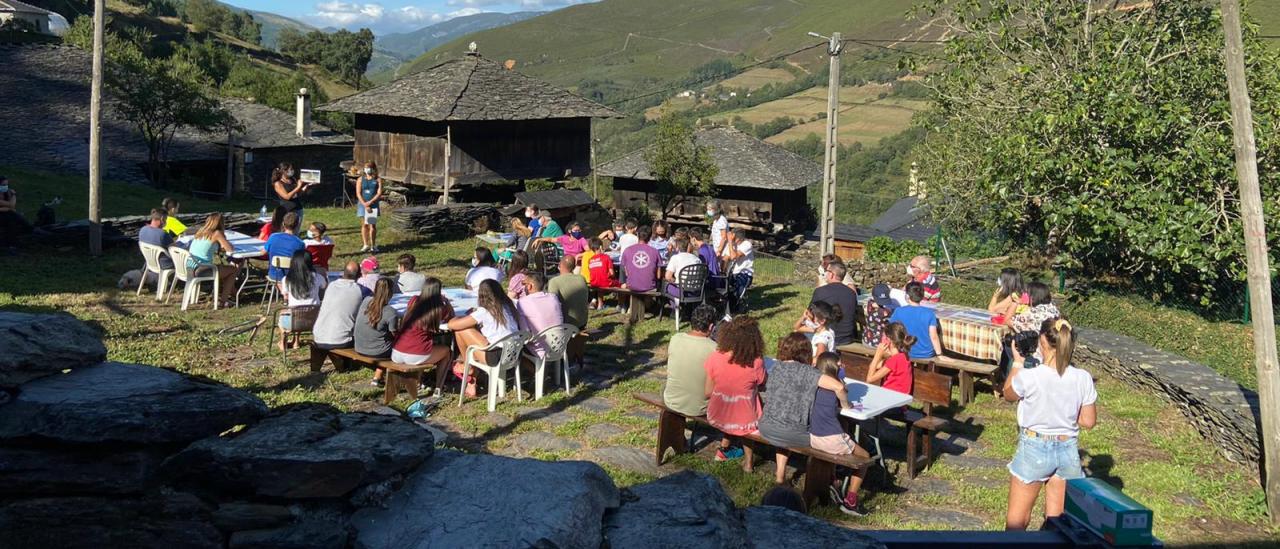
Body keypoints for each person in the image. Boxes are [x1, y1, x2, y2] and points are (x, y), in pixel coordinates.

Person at [1003, 318, 1097, 531]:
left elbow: (1008, 394)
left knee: (1017, 523)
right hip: (1068, 449)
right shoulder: (1083, 378)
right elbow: (1088, 421)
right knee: (1058, 525)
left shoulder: (1030, 376)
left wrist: (1017, 363)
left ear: (1042, 342)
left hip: (1034, 447)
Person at [809, 350, 872, 516]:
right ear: (832, 367)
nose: (842, 366)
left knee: (844, 428)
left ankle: (833, 482)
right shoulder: (838, 387)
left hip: (813, 436)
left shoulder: (814, 384)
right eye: (839, 364)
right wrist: (846, 400)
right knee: (865, 457)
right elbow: (845, 405)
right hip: (830, 437)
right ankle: (851, 500)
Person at [703, 315, 766, 471]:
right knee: (751, 401)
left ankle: (724, 446)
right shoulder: (756, 362)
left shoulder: (715, 357)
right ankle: (749, 462)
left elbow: (707, 393)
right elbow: (763, 383)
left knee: (736, 399)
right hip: (745, 421)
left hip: (717, 415)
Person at [447, 278, 519, 398]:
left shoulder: (484, 311)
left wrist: (454, 317)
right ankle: (471, 380)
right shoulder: (508, 307)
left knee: (461, 330)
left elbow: (452, 325)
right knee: (472, 333)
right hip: (515, 353)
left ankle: (468, 366)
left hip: (496, 356)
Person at [392, 276, 455, 395]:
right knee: (446, 351)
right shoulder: (439, 309)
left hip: (396, 351)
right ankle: (438, 387)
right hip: (415, 354)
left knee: (425, 344)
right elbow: (452, 316)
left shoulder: (414, 300)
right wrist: (447, 302)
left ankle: (419, 380)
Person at [662, 303, 718, 416]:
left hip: (672, 401)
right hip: (699, 408)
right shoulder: (714, 349)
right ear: (711, 327)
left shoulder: (675, 339)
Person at [310, 263, 365, 370]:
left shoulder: (331, 285)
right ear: (359, 275)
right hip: (342, 340)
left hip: (319, 335)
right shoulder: (361, 290)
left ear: (343, 272)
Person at [277, 248, 327, 350]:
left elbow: (285, 295)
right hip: (314, 319)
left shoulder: (286, 280)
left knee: (285, 313)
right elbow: (324, 286)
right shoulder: (317, 277)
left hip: (293, 322)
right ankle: (296, 341)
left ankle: (283, 342)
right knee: (303, 310)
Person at [186, 213, 240, 307]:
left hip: (190, 265)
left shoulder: (201, 231)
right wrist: (225, 241)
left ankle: (234, 293)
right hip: (202, 269)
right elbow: (229, 249)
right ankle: (223, 301)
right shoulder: (217, 233)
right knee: (233, 270)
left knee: (224, 269)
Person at [356, 277, 398, 386]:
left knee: (382, 341)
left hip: (359, 346)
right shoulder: (390, 312)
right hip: (378, 351)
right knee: (400, 346)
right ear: (391, 292)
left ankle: (377, 376)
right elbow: (396, 335)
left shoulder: (366, 301)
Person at [889, 281, 943, 360]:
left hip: (905, 351)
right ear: (922, 296)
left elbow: (891, 330)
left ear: (907, 296)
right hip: (926, 353)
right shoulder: (929, 313)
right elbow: (934, 336)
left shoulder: (898, 311)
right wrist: (940, 354)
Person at [516, 273, 563, 357]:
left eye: (524, 284)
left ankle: (531, 369)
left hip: (539, 350)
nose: (523, 287)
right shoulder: (553, 297)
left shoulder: (523, 302)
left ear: (529, 286)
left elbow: (525, 333)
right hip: (559, 346)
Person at [811, 262, 858, 346]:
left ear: (832, 274)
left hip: (827, 337)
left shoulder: (820, 291)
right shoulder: (851, 293)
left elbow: (810, 314)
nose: (825, 274)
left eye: (827, 271)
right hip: (847, 338)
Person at [867, 322, 915, 395]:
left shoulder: (894, 360)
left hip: (891, 400)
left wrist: (877, 354)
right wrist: (883, 356)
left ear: (888, 340)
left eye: (883, 336)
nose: (881, 338)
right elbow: (873, 366)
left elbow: (869, 379)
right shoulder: (903, 356)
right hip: (897, 399)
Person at [549, 255, 589, 330]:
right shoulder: (581, 278)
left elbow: (552, 306)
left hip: (566, 325)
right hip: (582, 322)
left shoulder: (554, 282)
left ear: (560, 265)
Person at [264, 212, 306, 283]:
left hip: (274, 275)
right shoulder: (300, 243)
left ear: (283, 223)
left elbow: (264, 252)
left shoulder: (273, 237)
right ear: (297, 225)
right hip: (292, 277)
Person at [353, 162, 384, 252]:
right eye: (366, 168)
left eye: (369, 168)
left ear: (373, 169)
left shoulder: (378, 179)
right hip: (363, 204)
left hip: (373, 204)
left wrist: (370, 202)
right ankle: (365, 244)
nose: (367, 170)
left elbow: (379, 193)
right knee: (364, 224)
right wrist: (365, 204)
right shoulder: (360, 179)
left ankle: (373, 245)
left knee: (372, 225)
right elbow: (358, 193)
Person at [724, 228, 754, 313]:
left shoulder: (747, 244)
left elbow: (733, 256)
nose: (731, 239)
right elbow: (726, 258)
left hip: (744, 274)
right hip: (732, 273)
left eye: (733, 238)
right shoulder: (732, 245)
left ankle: (740, 305)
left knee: (738, 294)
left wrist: (730, 242)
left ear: (738, 238)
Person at [622, 225, 660, 292]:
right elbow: (658, 276)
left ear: (637, 234)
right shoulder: (655, 251)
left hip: (631, 285)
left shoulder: (627, 250)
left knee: (622, 285)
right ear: (650, 237)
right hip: (650, 286)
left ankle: (621, 302)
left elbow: (626, 273)